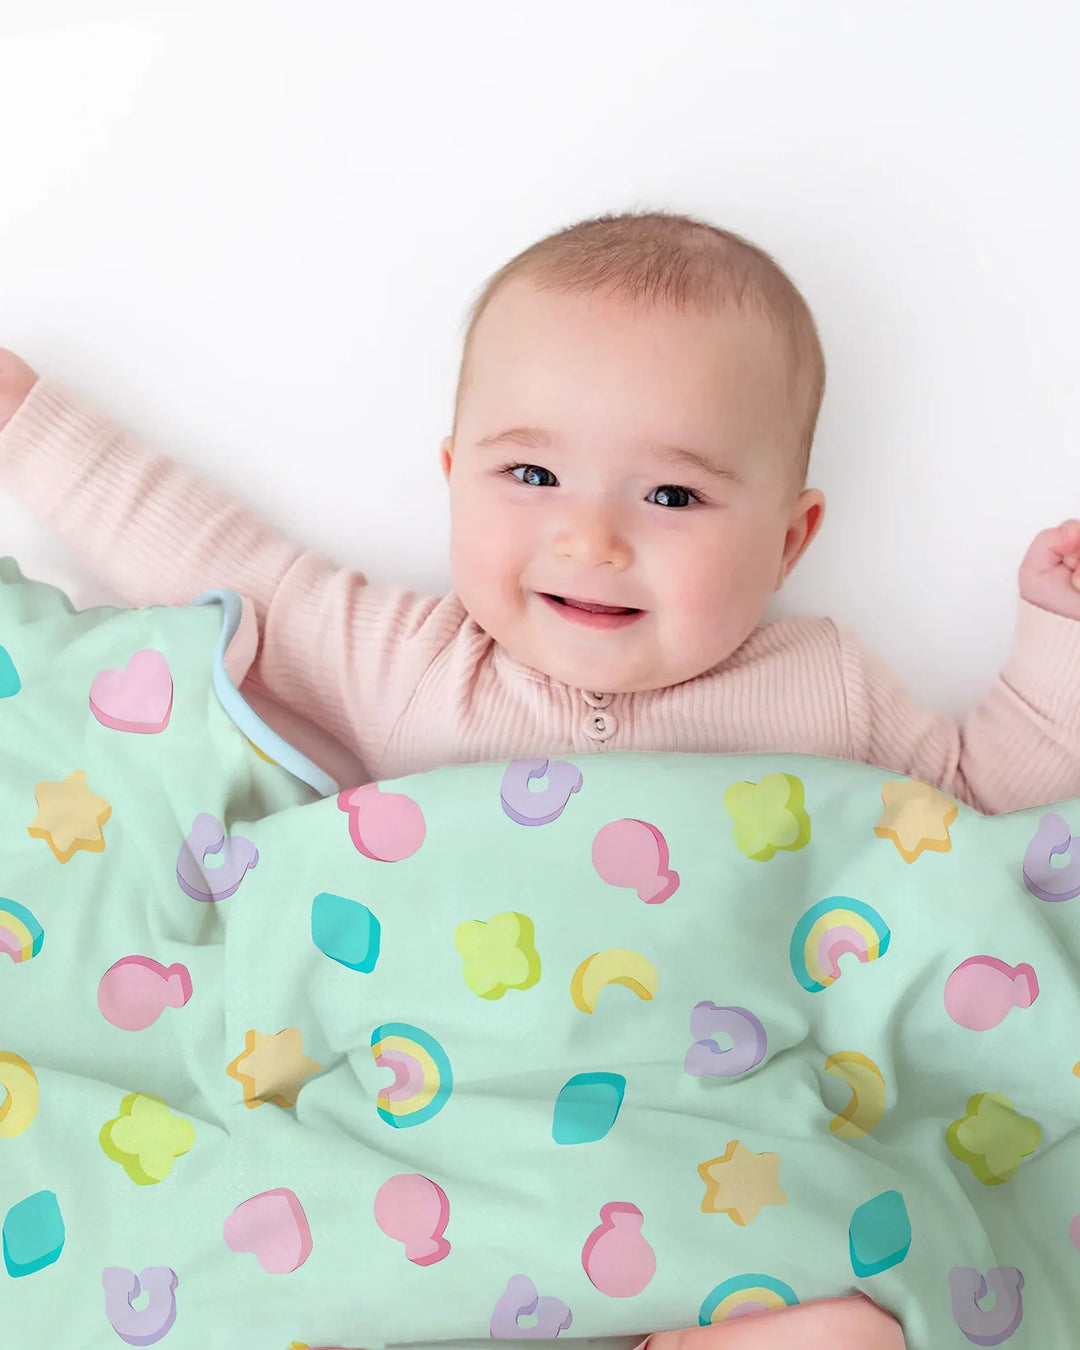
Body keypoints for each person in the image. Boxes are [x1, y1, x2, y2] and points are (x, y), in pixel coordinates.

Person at [1, 209, 1078, 1349]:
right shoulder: (409, 663)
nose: (593, 538)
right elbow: (217, 557)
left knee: (853, 1331)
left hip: (724, 1166)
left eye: (672, 498)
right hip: (435, 1157)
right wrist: (27, 422)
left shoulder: (827, 698)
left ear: (789, 539)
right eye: (531, 473)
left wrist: (1057, 639)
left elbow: (981, 825)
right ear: (453, 476)